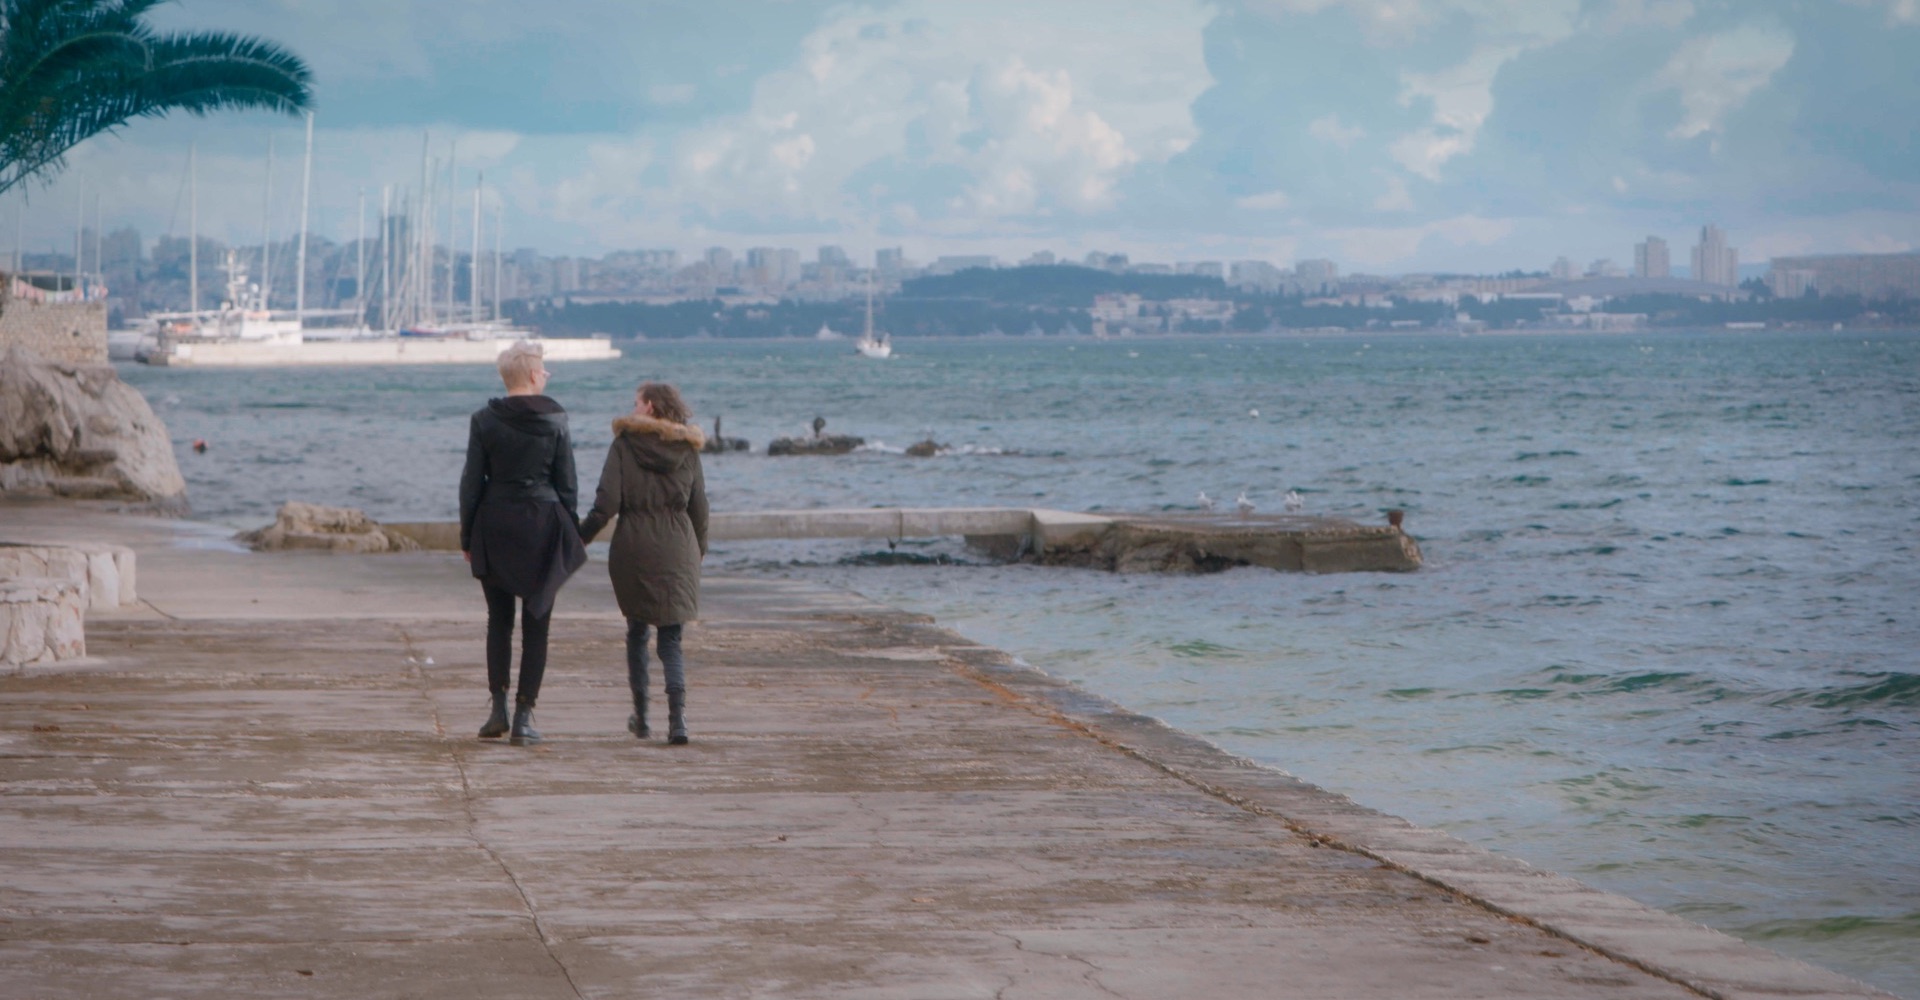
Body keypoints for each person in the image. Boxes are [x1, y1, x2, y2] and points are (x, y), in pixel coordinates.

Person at [459, 341, 586, 746]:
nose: (546, 374)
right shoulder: (557, 418)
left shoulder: (484, 419)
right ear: (533, 375)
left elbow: (470, 482)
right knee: (538, 621)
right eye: (543, 369)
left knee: (499, 620)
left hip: (495, 523)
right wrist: (572, 532)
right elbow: (567, 483)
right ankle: (525, 716)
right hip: (543, 525)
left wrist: (467, 535)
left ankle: (497, 708)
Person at [578, 382, 709, 745]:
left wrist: (580, 537)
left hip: (633, 545)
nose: (633, 407)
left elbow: (606, 504)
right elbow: (699, 506)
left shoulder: (624, 445)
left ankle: (643, 716)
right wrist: (699, 548)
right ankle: (678, 720)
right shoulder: (688, 449)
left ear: (650, 406)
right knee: (672, 637)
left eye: (636, 402)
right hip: (678, 545)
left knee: (637, 631)